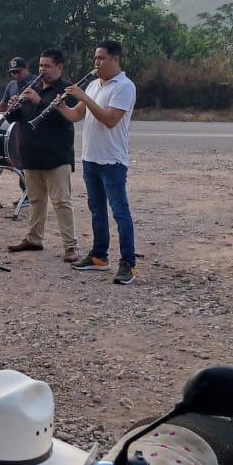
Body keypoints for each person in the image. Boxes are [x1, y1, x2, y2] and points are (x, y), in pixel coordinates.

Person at [57, 40, 137, 285]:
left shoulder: (124, 86)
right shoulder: (93, 84)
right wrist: (59, 105)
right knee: (96, 210)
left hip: (112, 160)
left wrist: (84, 97)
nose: (96, 63)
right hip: (90, 157)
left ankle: (128, 264)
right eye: (95, 59)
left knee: (120, 211)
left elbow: (110, 119)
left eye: (101, 59)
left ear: (115, 59)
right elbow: (76, 115)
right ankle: (99, 256)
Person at [5, 48, 79, 262]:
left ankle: (70, 246)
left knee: (61, 201)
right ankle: (34, 238)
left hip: (56, 156)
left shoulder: (67, 90)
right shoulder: (32, 87)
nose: (42, 70)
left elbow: (66, 119)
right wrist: (12, 109)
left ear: (59, 67)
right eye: (40, 66)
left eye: (47, 66)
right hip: (31, 155)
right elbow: (17, 119)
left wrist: (39, 101)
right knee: (36, 200)